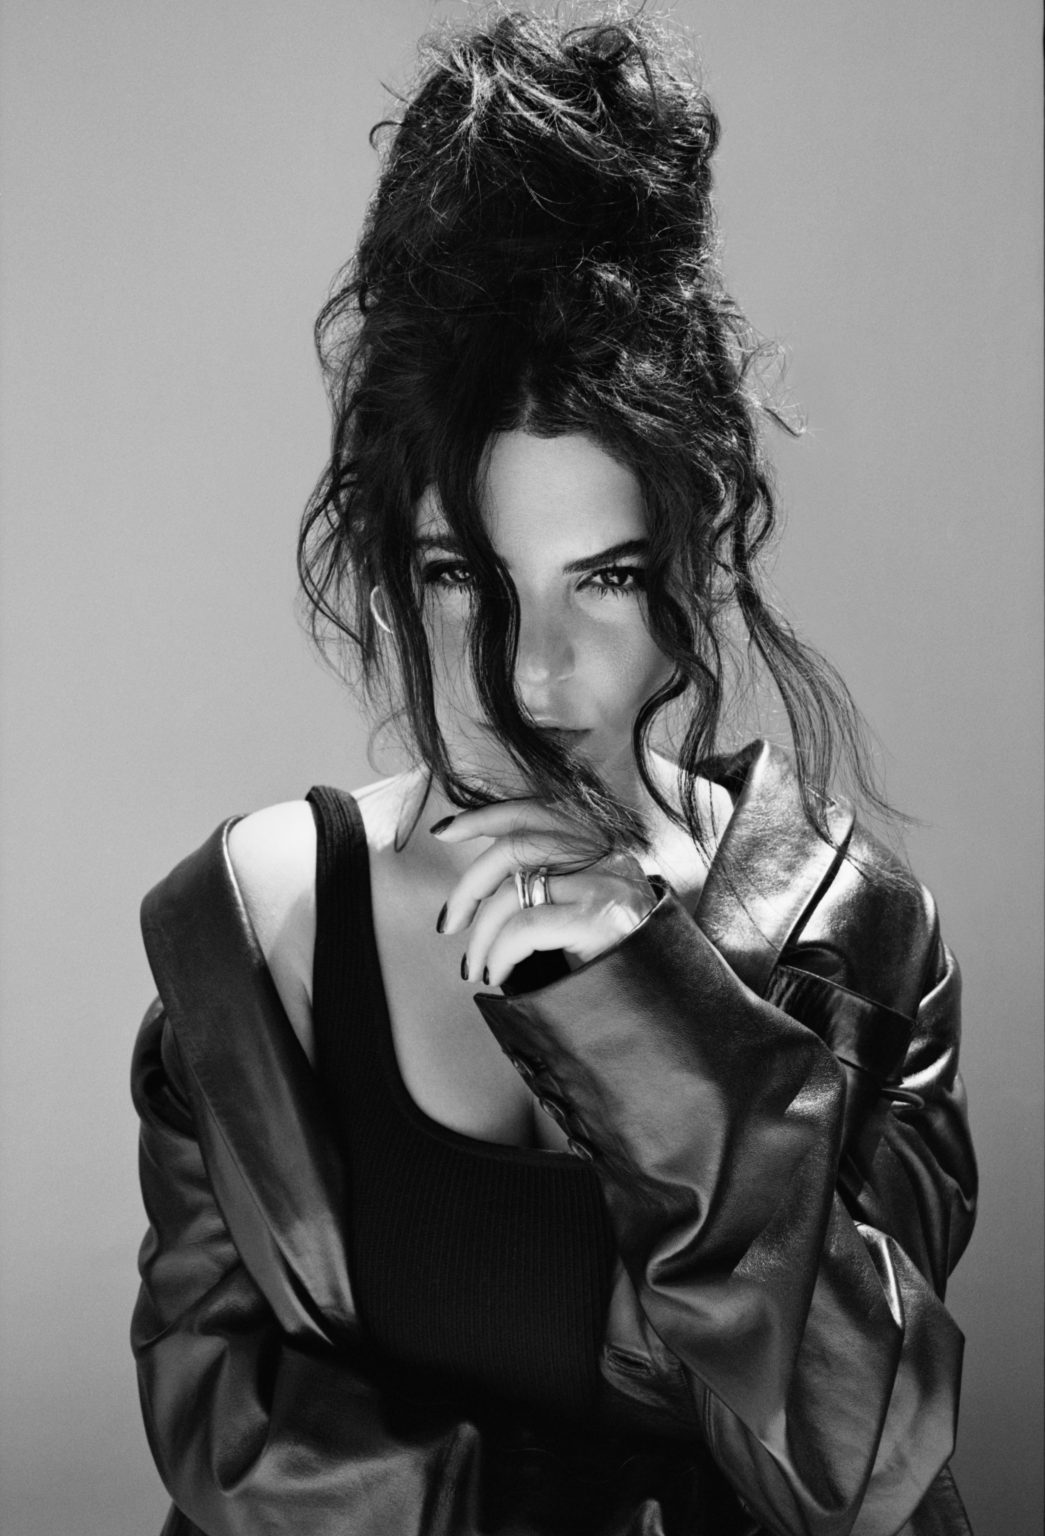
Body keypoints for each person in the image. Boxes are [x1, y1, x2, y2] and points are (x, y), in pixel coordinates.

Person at [130, 11, 977, 1535]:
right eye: (463, 576)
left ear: (699, 565)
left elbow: (857, 1469)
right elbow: (225, 1434)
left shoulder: (850, 939)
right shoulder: (251, 938)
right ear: (387, 573)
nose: (532, 678)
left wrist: (643, 1002)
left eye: (607, 577)